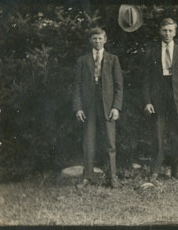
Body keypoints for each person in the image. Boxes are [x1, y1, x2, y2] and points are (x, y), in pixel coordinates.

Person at [143, 18, 178, 182]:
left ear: (175, 32)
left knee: (177, 134)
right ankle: (155, 171)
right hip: (158, 96)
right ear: (160, 31)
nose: (167, 34)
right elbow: (146, 80)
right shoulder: (151, 52)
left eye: (171, 31)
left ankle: (176, 171)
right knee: (157, 134)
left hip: (177, 97)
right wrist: (147, 101)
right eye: (165, 30)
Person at [73, 27, 123, 188]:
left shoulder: (113, 59)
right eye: (94, 38)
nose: (97, 41)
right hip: (89, 105)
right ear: (90, 40)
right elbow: (77, 86)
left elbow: (119, 86)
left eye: (100, 38)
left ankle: (112, 177)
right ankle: (87, 176)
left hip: (107, 105)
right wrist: (78, 108)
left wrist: (116, 107)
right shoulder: (83, 60)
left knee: (110, 141)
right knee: (88, 140)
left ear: (105, 39)